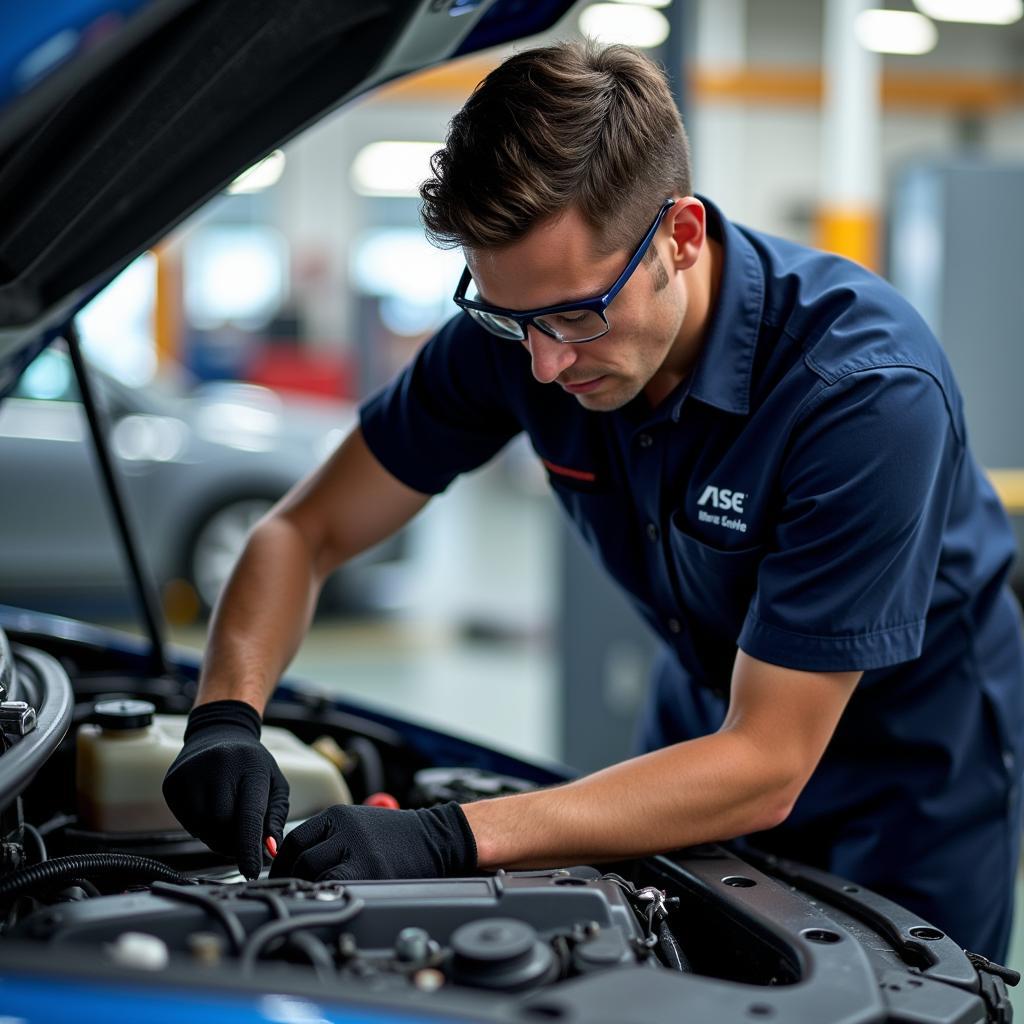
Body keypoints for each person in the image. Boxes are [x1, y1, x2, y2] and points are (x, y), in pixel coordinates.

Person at [163, 40, 1024, 961]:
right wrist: (223, 717)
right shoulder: (525, 333)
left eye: (579, 314)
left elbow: (769, 763)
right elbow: (304, 528)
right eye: (512, 318)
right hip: (706, 722)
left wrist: (451, 836)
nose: (544, 364)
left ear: (680, 237)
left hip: (908, 779)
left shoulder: (861, 393)